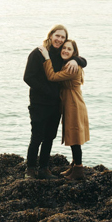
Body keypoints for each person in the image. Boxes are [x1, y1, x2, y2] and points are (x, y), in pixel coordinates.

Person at [23, 25, 87, 179]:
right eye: (57, 36)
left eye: (62, 37)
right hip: (39, 103)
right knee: (37, 136)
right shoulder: (38, 53)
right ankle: (30, 170)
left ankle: (44, 169)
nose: (59, 39)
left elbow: (79, 58)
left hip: (55, 104)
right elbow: (28, 77)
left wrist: (78, 60)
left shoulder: (61, 54)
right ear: (50, 35)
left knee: (49, 137)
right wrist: (48, 91)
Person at [39, 39, 89, 181]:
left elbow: (52, 76)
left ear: (74, 52)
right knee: (73, 135)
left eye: (69, 49)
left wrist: (47, 58)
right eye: (64, 48)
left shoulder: (71, 68)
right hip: (70, 102)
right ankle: (74, 166)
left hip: (73, 104)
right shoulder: (69, 63)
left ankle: (78, 169)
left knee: (74, 137)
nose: (65, 50)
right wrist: (77, 60)